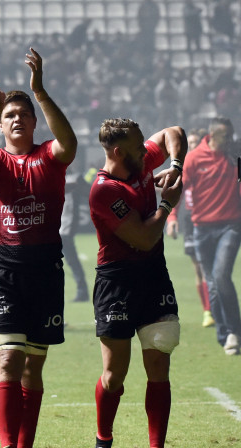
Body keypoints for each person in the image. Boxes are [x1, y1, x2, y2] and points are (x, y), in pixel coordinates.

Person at [0, 48, 77, 448]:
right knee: (9, 360)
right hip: (4, 270)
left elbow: (69, 141)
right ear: (2, 123)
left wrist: (41, 91)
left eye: (22, 114)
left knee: (33, 366)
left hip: (46, 269)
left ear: (34, 122)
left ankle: (23, 444)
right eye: (9, 116)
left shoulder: (49, 156)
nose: (16, 120)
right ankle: (6, 445)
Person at [88, 119, 186, 448]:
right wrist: (167, 204)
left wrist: (175, 165)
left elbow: (174, 132)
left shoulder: (141, 162)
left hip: (153, 276)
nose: (146, 150)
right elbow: (143, 238)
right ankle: (104, 439)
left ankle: (156, 445)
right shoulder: (104, 191)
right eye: (138, 146)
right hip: (116, 282)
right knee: (115, 375)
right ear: (118, 152)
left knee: (158, 362)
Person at [182, 117, 241, 355]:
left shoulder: (236, 155)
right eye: (227, 136)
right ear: (214, 135)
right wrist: (173, 218)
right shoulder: (194, 158)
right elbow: (180, 187)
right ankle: (225, 335)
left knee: (220, 275)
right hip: (202, 230)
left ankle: (234, 332)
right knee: (214, 285)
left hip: (231, 226)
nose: (230, 140)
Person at [166, 129, 214, 328]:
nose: (192, 145)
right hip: (190, 223)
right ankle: (208, 311)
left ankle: (215, 308)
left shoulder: (209, 165)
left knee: (211, 269)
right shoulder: (183, 169)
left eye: (195, 142)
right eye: (189, 142)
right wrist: (173, 217)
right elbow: (175, 195)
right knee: (200, 268)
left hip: (211, 221)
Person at [61, 171, 89, 303]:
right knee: (69, 260)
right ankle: (82, 291)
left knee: (71, 259)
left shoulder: (75, 177)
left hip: (66, 225)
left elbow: (89, 192)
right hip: (59, 224)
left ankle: (82, 291)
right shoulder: (58, 175)